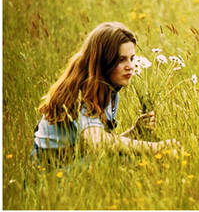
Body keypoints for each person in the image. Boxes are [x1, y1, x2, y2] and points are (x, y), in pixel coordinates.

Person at [31, 22, 179, 163]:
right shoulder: (85, 91)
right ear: (103, 61)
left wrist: (135, 132)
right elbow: (97, 143)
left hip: (72, 161)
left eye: (132, 58)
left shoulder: (110, 90)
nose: (130, 66)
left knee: (126, 159)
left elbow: (98, 144)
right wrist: (157, 148)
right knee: (129, 161)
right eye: (121, 60)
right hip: (50, 170)